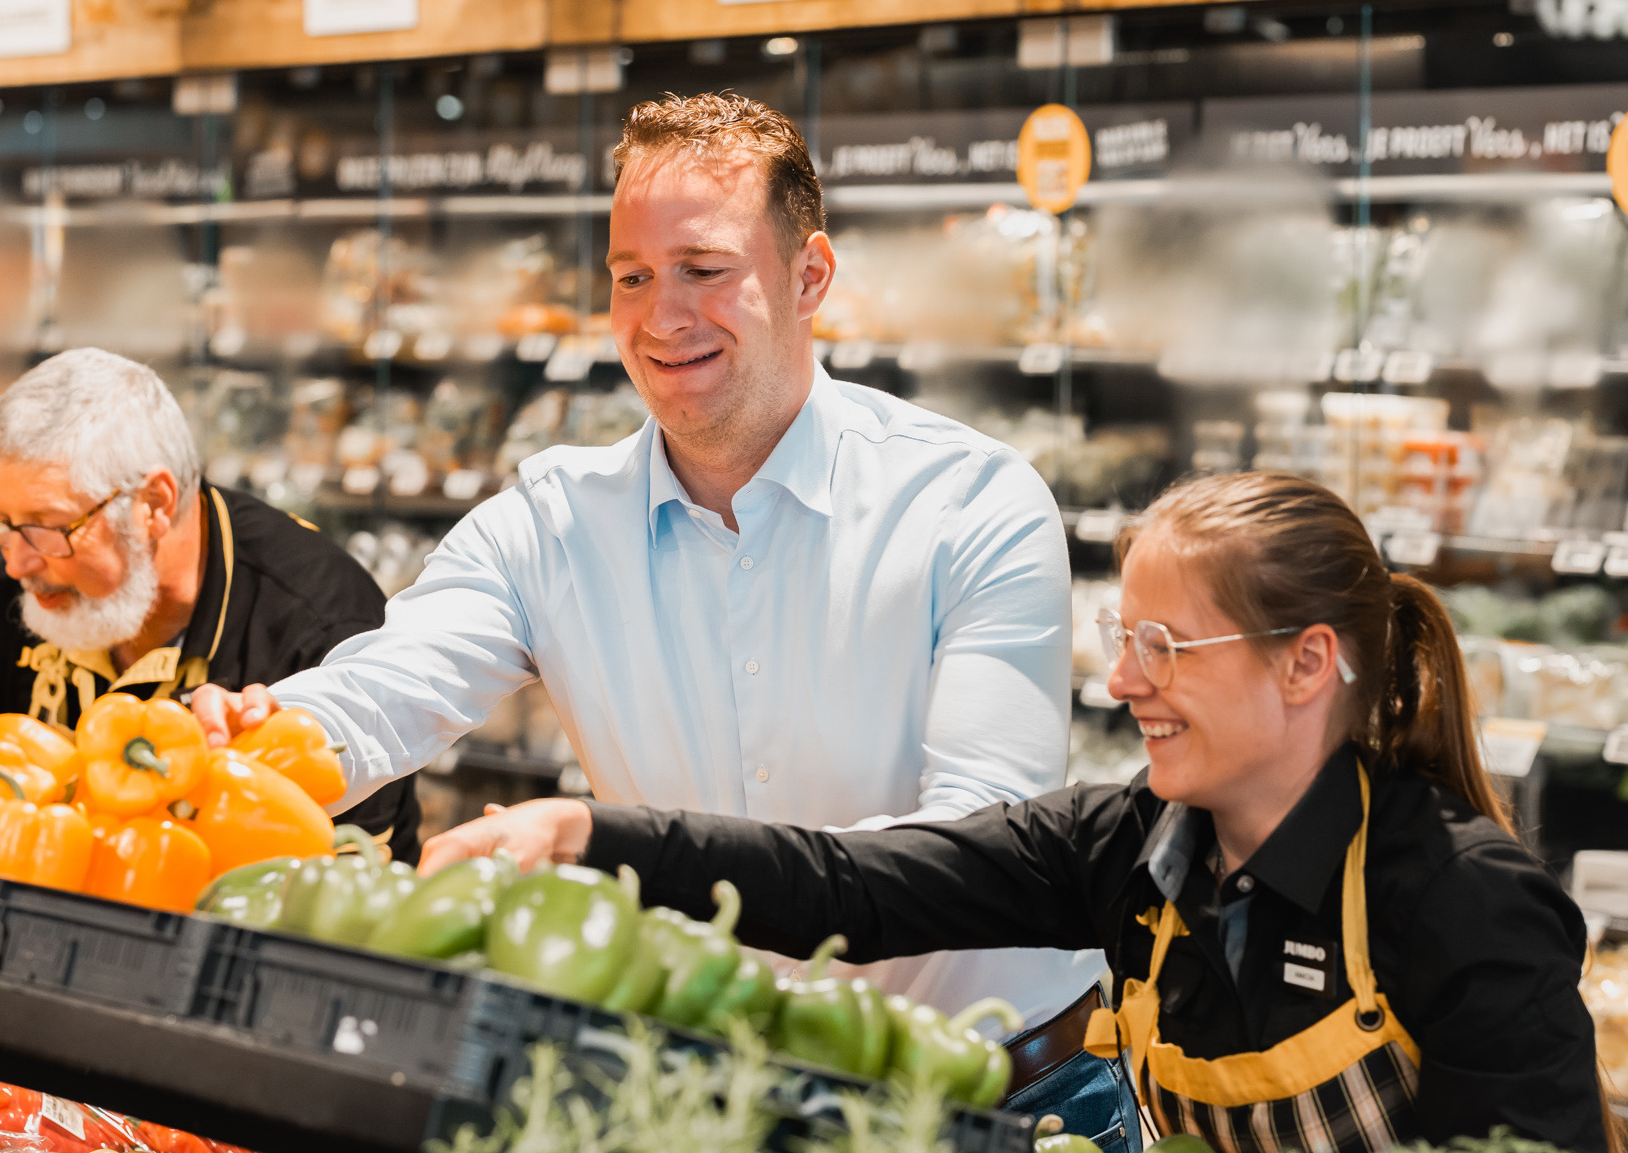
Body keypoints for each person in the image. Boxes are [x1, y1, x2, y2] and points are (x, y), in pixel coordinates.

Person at [191, 93, 1132, 1146]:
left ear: (808, 275)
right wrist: (251, 738)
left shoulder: (972, 501)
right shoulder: (550, 521)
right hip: (699, 1102)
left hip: (998, 1099)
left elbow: (976, 847)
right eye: (631, 277)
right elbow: (389, 683)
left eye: (703, 269)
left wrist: (606, 841)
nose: (660, 316)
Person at [422, 471, 1615, 1153]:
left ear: (1304, 665)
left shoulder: (1457, 900)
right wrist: (584, 833)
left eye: (1163, 646)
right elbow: (858, 884)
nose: (1121, 682)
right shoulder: (1132, 851)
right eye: (1121, 639)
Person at [0, 348, 421, 861]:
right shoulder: (33, 572)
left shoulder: (319, 623)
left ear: (154, 504)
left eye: (48, 527)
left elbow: (337, 890)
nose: (14, 563)